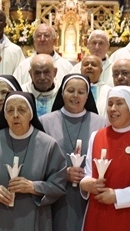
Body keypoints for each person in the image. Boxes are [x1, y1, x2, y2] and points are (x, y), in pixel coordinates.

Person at [0, 91, 67, 231]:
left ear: (31, 114)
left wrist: (33, 187)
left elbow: (59, 185)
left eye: (21, 110)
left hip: (33, 218)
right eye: (10, 110)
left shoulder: (48, 144)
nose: (15, 115)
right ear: (4, 115)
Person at [40, 74, 105, 231]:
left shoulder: (101, 123)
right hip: (57, 196)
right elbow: (38, 161)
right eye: (70, 90)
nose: (75, 96)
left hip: (89, 196)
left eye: (81, 92)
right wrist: (63, 173)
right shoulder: (45, 122)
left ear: (87, 96)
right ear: (62, 93)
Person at [80, 86, 130, 230]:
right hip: (96, 214)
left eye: (119, 103)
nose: (113, 108)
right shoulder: (96, 136)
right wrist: (86, 184)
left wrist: (117, 196)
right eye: (110, 104)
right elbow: (88, 174)